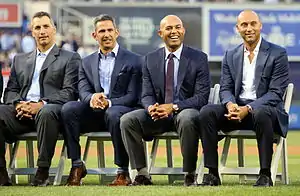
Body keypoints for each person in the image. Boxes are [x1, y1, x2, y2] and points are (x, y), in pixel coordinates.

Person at [198, 10, 289, 187]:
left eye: (253, 24)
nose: (249, 28)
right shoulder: (230, 55)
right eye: (244, 25)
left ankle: (264, 175)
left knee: (261, 113)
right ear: (237, 28)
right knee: (206, 112)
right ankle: (212, 174)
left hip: (265, 112)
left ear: (260, 26)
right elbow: (225, 88)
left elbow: (275, 93)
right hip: (236, 111)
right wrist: (231, 105)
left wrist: (247, 109)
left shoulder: (278, 54)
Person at [120, 15, 210, 186]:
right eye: (169, 28)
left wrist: (173, 107)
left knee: (187, 117)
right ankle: (142, 174)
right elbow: (145, 94)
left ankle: (189, 174)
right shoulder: (149, 59)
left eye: (177, 27)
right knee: (128, 120)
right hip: (158, 115)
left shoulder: (199, 58)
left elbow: (201, 97)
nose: (174, 31)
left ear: (183, 31)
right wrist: (150, 107)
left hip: (184, 112)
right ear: (160, 33)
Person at [0, 11, 81, 186]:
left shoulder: (70, 58)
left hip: (51, 112)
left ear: (54, 29)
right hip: (21, 112)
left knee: (46, 112)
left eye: (46, 26)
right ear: (32, 32)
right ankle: (1, 173)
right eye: (38, 27)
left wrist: (41, 103)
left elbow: (70, 92)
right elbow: (10, 91)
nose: (42, 31)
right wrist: (19, 104)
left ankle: (42, 171)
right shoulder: (19, 60)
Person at [61, 14, 142, 186]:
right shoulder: (86, 62)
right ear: (94, 35)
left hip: (120, 112)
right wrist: (92, 98)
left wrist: (109, 102)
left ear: (117, 32)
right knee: (69, 109)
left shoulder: (134, 60)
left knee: (113, 113)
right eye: (102, 31)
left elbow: (134, 96)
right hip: (94, 113)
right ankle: (76, 165)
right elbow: (82, 90)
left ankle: (123, 172)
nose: (106, 34)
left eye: (110, 30)